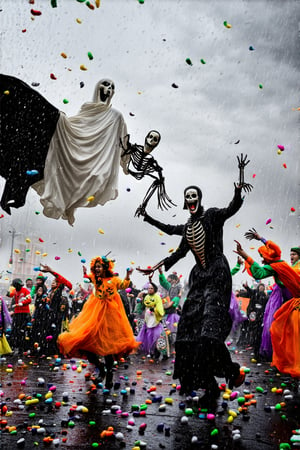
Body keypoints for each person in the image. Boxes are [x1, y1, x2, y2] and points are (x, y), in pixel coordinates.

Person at [137, 154, 252, 407]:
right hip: (199, 278)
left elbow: (231, 209)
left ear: (199, 199)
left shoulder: (211, 216)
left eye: (193, 195)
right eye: (187, 196)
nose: (190, 199)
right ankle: (205, 385)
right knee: (187, 337)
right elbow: (177, 248)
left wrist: (238, 189)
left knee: (209, 334)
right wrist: (148, 221)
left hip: (217, 274)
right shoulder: (188, 227)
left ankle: (231, 371)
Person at [0, 75, 128, 224]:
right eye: (105, 84)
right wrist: (61, 120)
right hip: (69, 139)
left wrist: (130, 161)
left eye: (112, 87)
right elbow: (78, 127)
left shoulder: (116, 116)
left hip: (92, 161)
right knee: (27, 98)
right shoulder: (86, 110)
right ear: (97, 88)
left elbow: (124, 143)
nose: (109, 89)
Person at [57, 256, 139, 389]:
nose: (97, 269)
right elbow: (88, 277)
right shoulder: (96, 279)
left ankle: (109, 377)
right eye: (95, 267)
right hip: (94, 313)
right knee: (84, 341)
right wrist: (84, 272)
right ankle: (100, 368)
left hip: (111, 315)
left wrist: (128, 275)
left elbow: (124, 285)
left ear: (105, 268)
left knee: (108, 348)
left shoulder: (114, 280)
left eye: (99, 267)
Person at [234, 239, 300, 377]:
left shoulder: (280, 266)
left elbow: (259, 273)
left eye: (264, 257)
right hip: (289, 303)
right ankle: (286, 361)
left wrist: (252, 248)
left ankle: (290, 362)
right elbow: (261, 271)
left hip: (293, 303)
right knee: (279, 330)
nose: (263, 260)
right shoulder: (280, 265)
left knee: (287, 331)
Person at [120, 131, 175, 216]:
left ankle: (143, 206)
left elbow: (159, 172)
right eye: (150, 137)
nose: (152, 140)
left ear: (156, 144)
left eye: (155, 139)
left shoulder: (151, 159)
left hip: (140, 174)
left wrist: (160, 178)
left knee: (158, 181)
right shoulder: (135, 148)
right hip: (127, 168)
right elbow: (125, 146)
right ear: (146, 138)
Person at [39, 264, 72, 356]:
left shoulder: (59, 291)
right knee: (46, 332)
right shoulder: (50, 292)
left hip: (56, 315)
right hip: (48, 315)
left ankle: (55, 351)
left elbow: (68, 284)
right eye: (52, 281)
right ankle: (47, 350)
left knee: (55, 333)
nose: (53, 282)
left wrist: (51, 271)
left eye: (55, 281)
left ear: (59, 284)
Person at [136, 281, 165, 359]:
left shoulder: (157, 297)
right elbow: (142, 307)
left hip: (155, 319)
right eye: (149, 288)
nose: (150, 290)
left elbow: (159, 307)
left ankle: (157, 351)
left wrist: (154, 310)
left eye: (151, 288)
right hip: (148, 319)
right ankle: (151, 352)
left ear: (155, 289)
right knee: (148, 337)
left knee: (156, 336)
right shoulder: (146, 297)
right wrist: (139, 300)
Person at [242, 281, 268, 360]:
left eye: (262, 287)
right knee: (251, 330)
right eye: (260, 286)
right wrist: (246, 287)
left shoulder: (265, 296)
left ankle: (255, 345)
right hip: (253, 315)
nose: (261, 288)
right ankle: (251, 342)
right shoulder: (254, 293)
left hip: (260, 317)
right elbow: (250, 291)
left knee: (257, 332)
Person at [7, 278, 31, 355]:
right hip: (17, 313)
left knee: (23, 331)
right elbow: (9, 294)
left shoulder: (25, 290)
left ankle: (22, 348)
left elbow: (29, 299)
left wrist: (22, 303)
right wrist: (9, 288)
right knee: (15, 330)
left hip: (24, 313)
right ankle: (14, 347)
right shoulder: (15, 291)